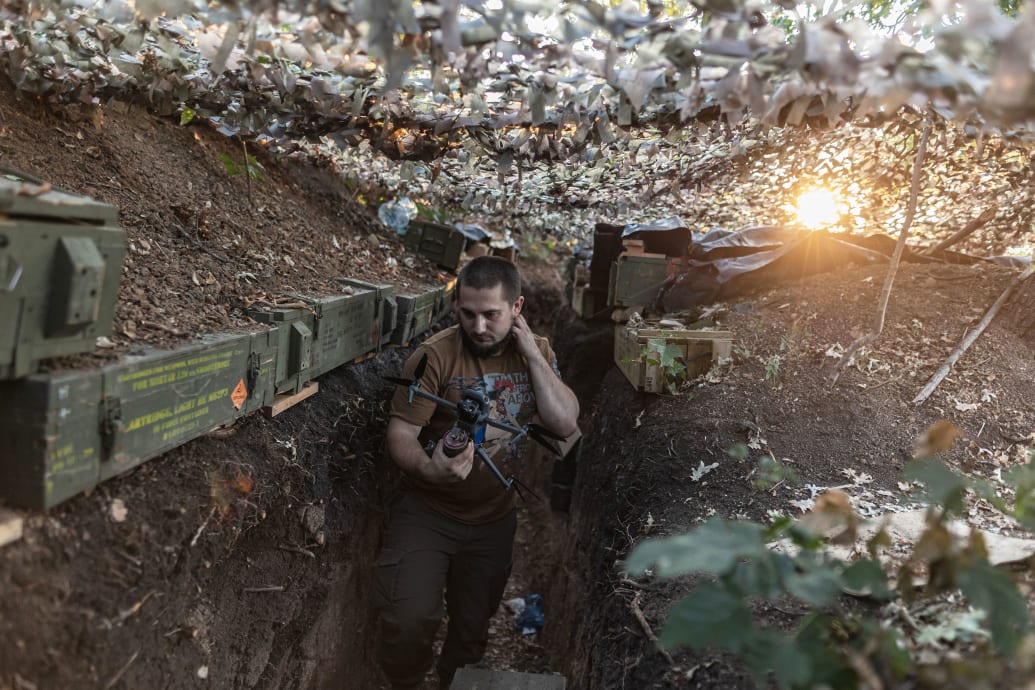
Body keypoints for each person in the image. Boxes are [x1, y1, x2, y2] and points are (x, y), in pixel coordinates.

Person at [375, 256, 580, 690]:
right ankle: (407, 682)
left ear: (517, 307)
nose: (479, 327)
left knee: (472, 629)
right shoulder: (435, 356)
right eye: (468, 314)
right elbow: (401, 433)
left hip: (494, 520)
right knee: (408, 618)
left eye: (492, 315)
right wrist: (431, 470)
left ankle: (454, 681)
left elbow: (564, 424)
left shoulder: (537, 352)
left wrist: (531, 356)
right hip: (429, 511)